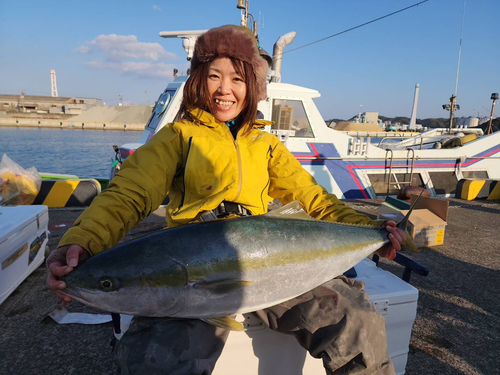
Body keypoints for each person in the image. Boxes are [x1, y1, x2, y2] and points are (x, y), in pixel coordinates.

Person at [47, 25, 405, 375]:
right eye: (214, 76)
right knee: (151, 358)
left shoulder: (266, 145)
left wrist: (371, 232)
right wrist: (81, 241)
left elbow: (315, 199)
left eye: (237, 79)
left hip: (274, 261)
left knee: (354, 320)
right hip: (192, 265)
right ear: (197, 80)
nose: (225, 89)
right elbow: (130, 193)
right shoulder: (177, 137)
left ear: (253, 87)